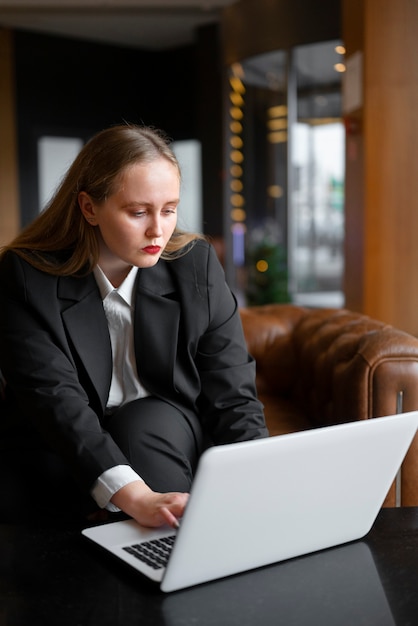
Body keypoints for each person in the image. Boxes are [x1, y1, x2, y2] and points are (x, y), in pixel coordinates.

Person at [0, 124, 268, 527]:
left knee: (144, 424)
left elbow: (231, 394)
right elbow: (55, 401)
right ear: (89, 208)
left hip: (162, 431)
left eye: (169, 209)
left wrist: (262, 484)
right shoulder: (26, 276)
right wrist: (136, 496)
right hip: (59, 444)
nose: (158, 230)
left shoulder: (195, 265)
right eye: (138, 212)